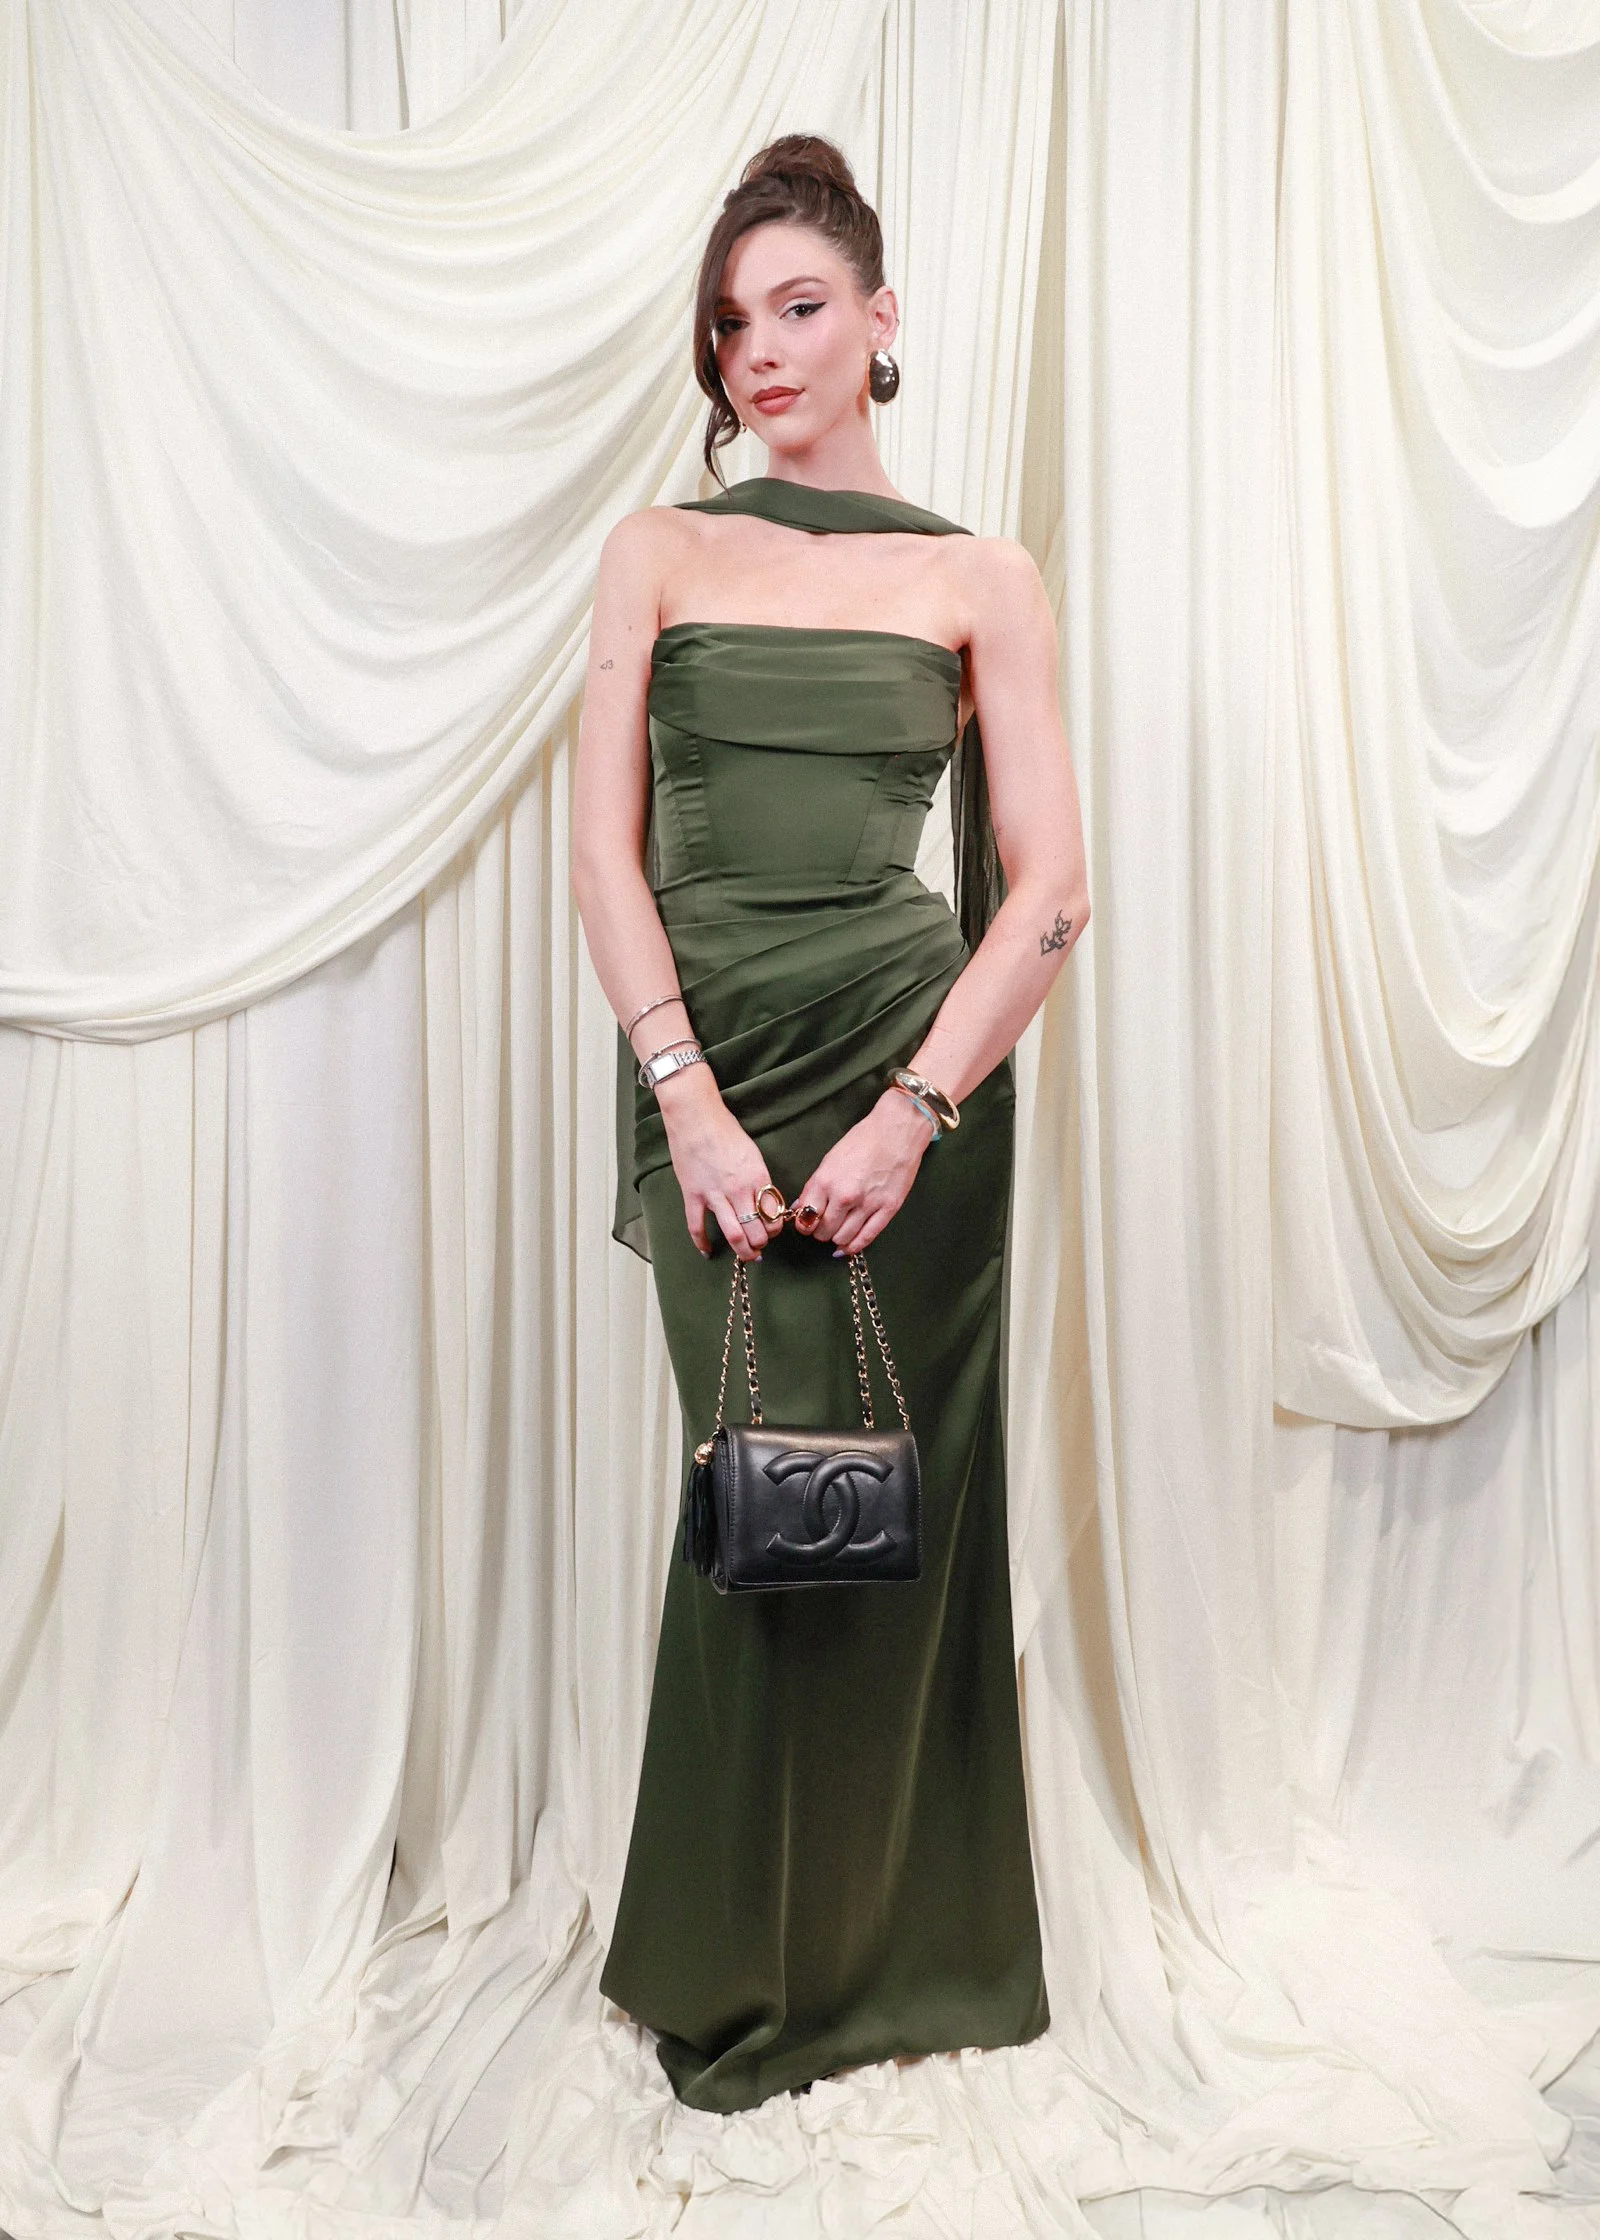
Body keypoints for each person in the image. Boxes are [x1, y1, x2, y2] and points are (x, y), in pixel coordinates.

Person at [570, 132, 1089, 2115]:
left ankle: (905, 1955)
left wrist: (910, 1113)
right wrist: (684, 1099)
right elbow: (602, 860)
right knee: (751, 1525)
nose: (756, 352)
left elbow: (1044, 888)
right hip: (712, 1093)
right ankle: (723, 1956)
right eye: (728, 322)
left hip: (906, 1084)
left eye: (795, 307)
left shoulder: (981, 575)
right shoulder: (660, 550)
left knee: (892, 1532)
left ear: (881, 320)